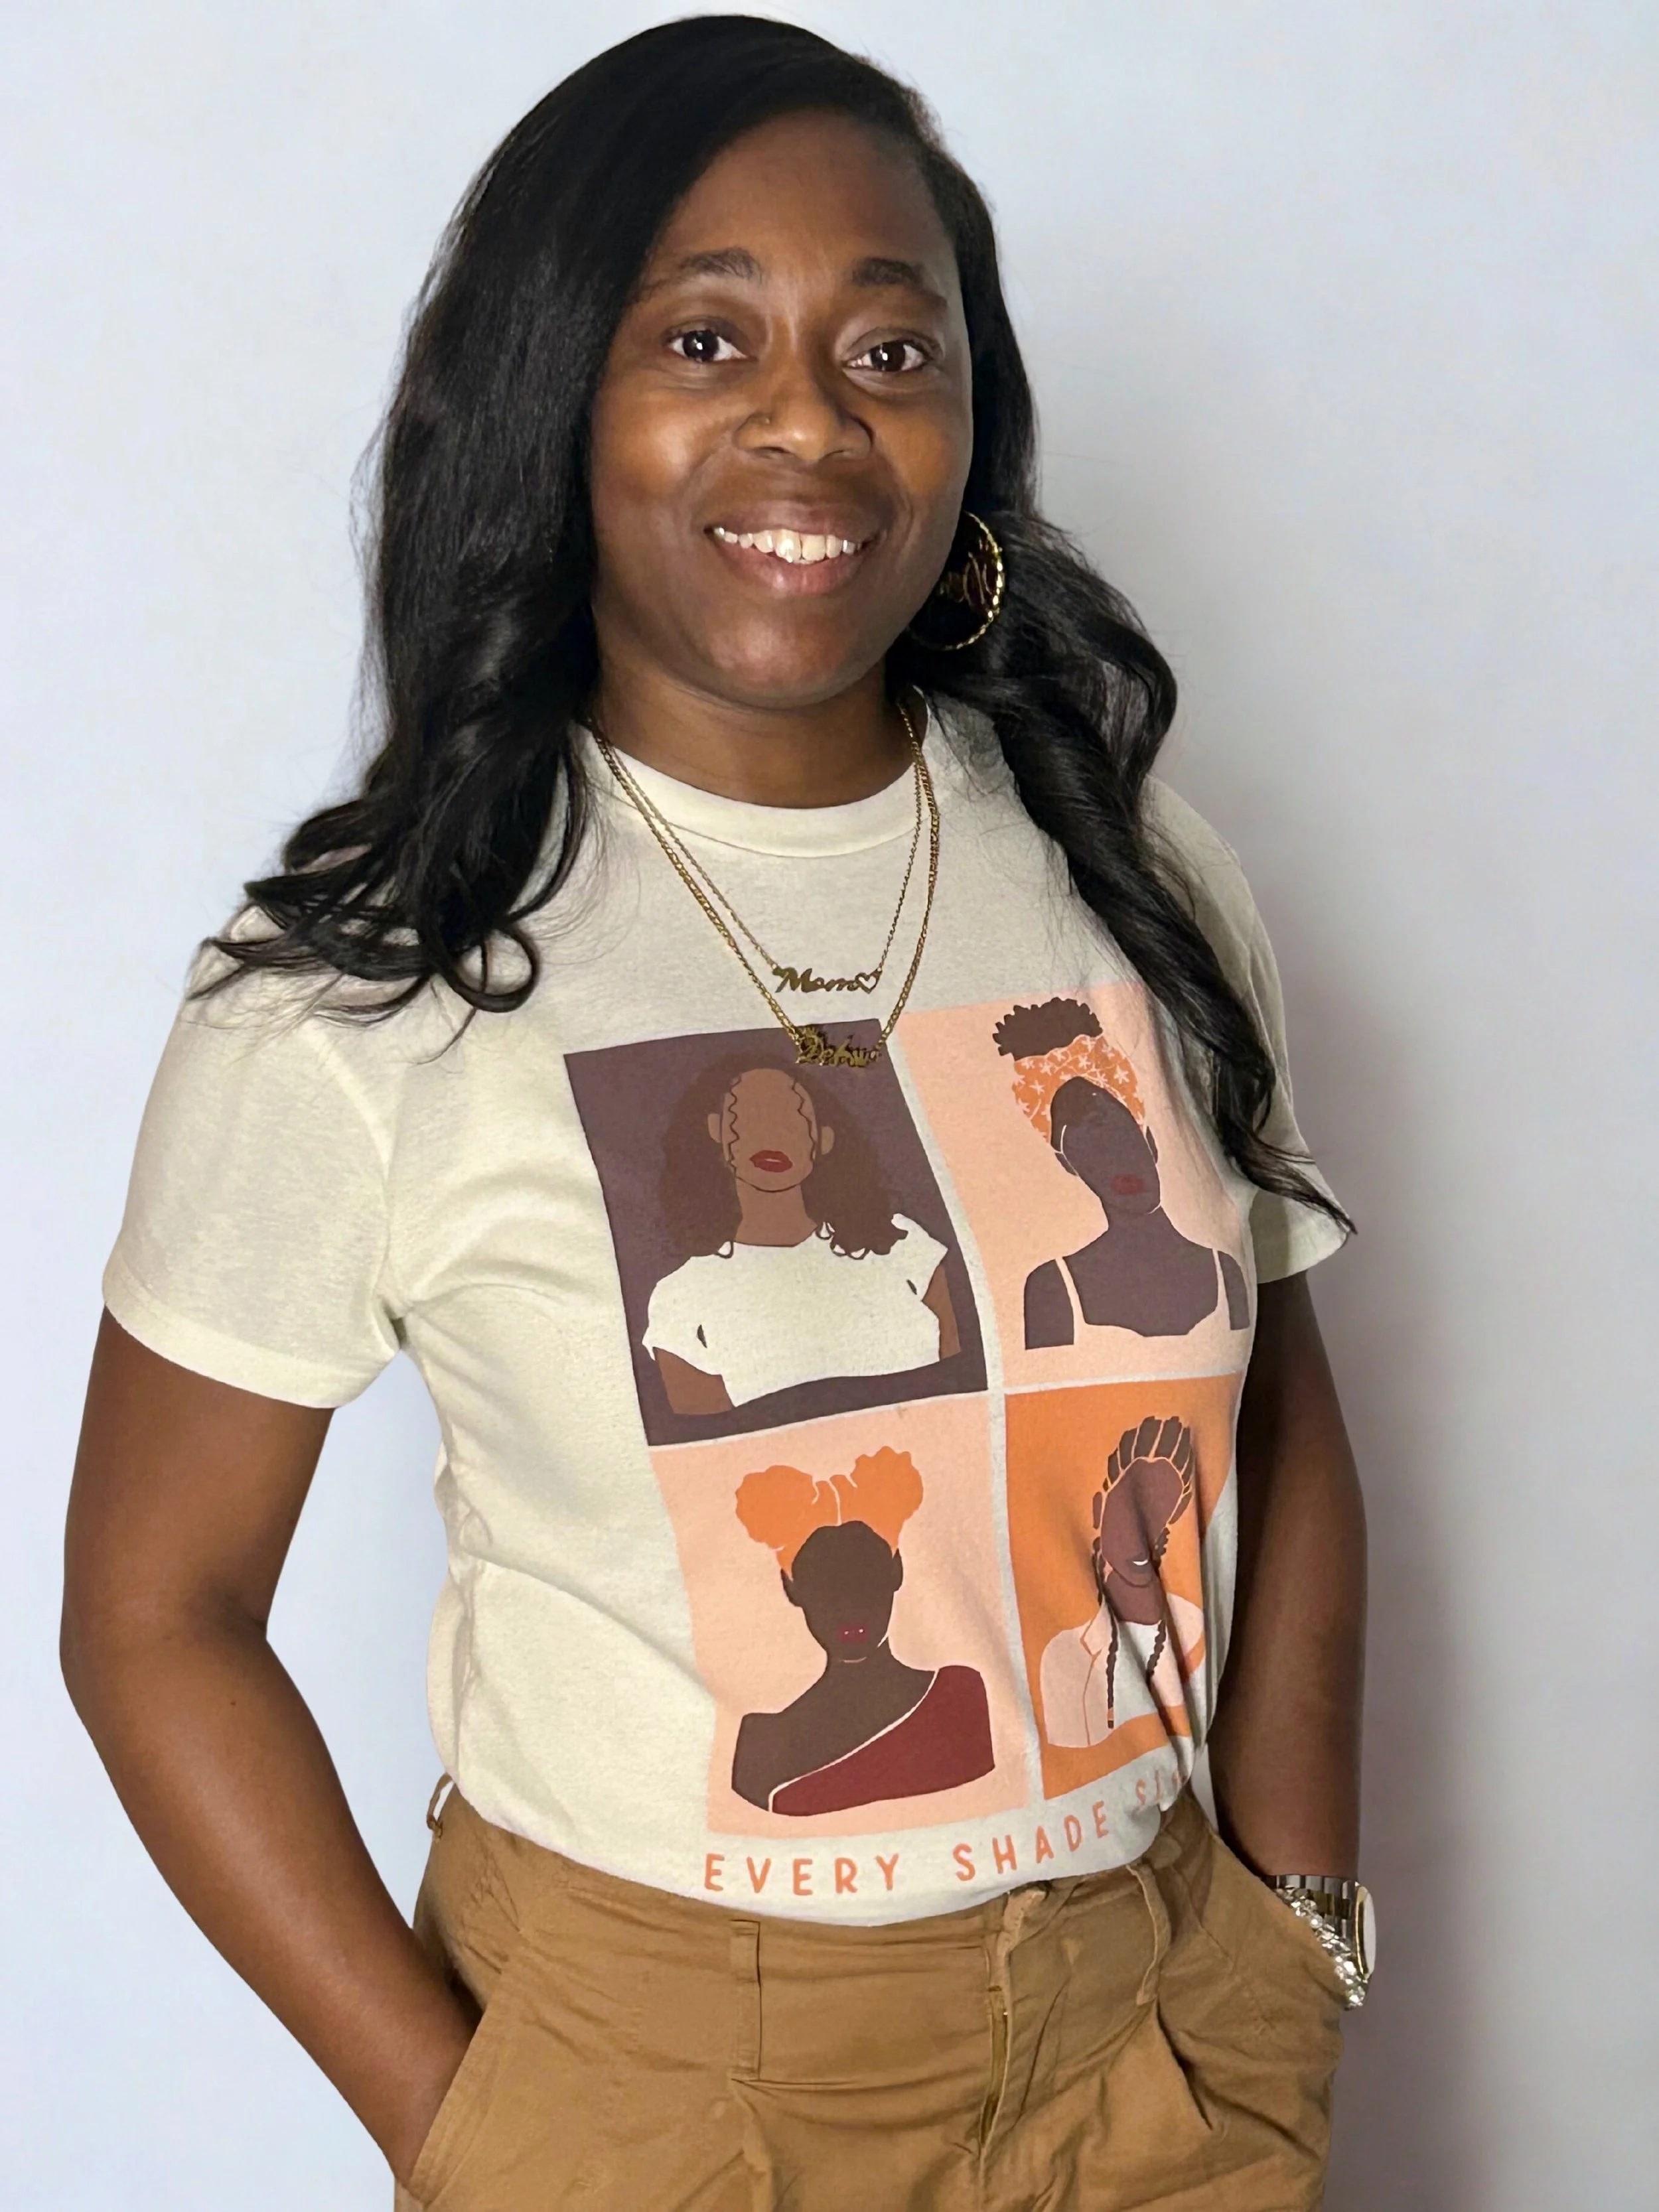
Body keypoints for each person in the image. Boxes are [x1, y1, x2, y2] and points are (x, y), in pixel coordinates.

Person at [61, 18, 1372, 2211]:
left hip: (1159, 2040)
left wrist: (1297, 1936)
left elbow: (1283, 1408)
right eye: (702, 335)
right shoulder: (369, 985)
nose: (808, 422)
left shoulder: (1131, 862)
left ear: (969, 418)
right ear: (558, 393)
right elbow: (151, 1612)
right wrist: (475, 2128)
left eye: (890, 348)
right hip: (658, 2074)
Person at [644, 1051, 958, 1413]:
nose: (772, 1136)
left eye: (792, 1120)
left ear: (822, 1141)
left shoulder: (901, 1244)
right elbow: (708, 1448)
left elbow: (962, 1381)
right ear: (716, 1130)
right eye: (751, 1117)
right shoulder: (680, 1297)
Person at [731, 1447, 994, 1814]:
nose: (849, 1604)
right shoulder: (763, 1741)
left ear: (895, 1571)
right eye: (825, 1581)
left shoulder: (957, 1694)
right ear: (792, 1588)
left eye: (865, 1574)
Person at [994, 995, 1253, 1346]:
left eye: (1120, 1132)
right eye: (1089, 1148)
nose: (1114, 1159)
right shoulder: (1054, 1287)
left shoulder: (1226, 1273)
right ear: (1069, 1164)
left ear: (1150, 1140)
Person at [1039, 1414, 1208, 1753]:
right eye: (1136, 1502)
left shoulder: (1195, 1630)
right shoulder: (1062, 1652)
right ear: (1100, 1507)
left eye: (1166, 1515)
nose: (1154, 1531)